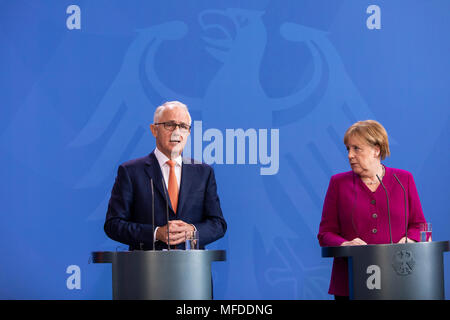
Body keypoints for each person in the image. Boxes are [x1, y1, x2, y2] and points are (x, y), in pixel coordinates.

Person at [317, 120, 426, 299]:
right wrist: (345, 244)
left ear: (376, 150)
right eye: (348, 149)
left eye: (356, 149)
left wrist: (410, 239)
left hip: (399, 281)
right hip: (350, 283)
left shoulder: (403, 180)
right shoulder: (338, 183)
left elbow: (419, 225)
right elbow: (325, 233)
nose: (350, 155)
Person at [104, 101, 227, 250]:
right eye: (170, 125)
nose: (176, 132)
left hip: (193, 270)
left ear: (188, 132)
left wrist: (192, 231)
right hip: (147, 269)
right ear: (154, 130)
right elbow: (113, 224)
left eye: (183, 126)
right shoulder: (130, 171)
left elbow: (218, 224)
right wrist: (156, 233)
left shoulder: (204, 173)